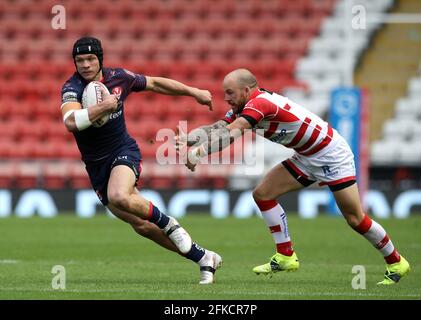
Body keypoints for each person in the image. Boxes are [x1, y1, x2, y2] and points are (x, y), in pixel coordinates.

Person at [176, 68, 410, 285]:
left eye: (230, 92)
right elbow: (218, 128)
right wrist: (188, 139)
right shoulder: (245, 106)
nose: (225, 98)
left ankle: (396, 262)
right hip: (307, 156)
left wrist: (200, 152)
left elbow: (233, 133)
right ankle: (286, 255)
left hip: (331, 155)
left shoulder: (261, 104)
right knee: (263, 194)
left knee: (355, 219)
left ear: (246, 90)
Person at [60, 36, 222, 284]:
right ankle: (204, 258)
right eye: (80, 60)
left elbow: (155, 83)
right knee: (141, 225)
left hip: (123, 151)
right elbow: (71, 122)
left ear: (100, 59)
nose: (85, 65)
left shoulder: (119, 78)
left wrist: (194, 92)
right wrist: (104, 108)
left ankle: (169, 223)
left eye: (91, 59)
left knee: (119, 196)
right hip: (96, 166)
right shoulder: (72, 88)